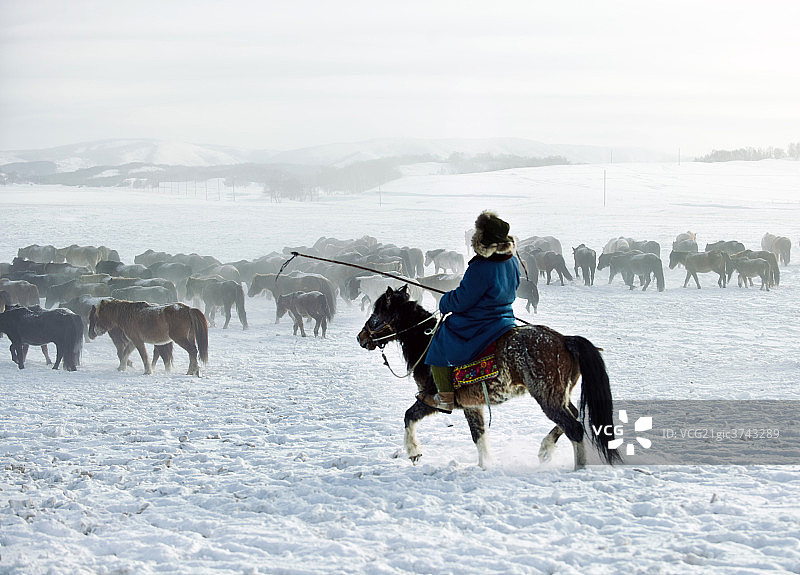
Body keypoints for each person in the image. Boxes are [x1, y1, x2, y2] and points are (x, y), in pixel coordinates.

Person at [421, 210, 520, 413]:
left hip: (480, 323)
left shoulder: (481, 267)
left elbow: (463, 300)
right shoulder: (512, 260)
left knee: (440, 341)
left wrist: (446, 301)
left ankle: (445, 398)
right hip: (506, 319)